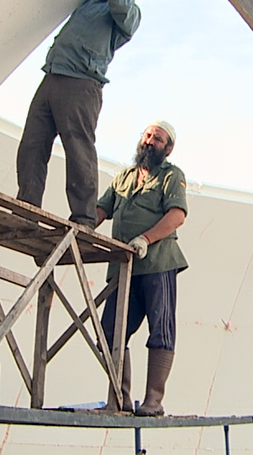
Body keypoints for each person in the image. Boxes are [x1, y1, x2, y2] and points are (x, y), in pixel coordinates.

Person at [16, 0, 153, 227]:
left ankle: (84, 217)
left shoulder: (129, 12)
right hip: (54, 75)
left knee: (78, 149)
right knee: (32, 145)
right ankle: (26, 209)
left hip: (81, 84)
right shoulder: (92, 0)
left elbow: (119, 3)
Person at [95, 120, 188, 416]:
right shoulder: (124, 177)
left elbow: (177, 215)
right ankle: (120, 397)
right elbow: (100, 210)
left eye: (157, 139)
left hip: (157, 263)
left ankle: (153, 401)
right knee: (110, 332)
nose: (149, 141)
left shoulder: (171, 176)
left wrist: (146, 239)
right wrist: (80, 227)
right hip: (123, 268)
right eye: (147, 136)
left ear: (168, 149)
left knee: (160, 330)